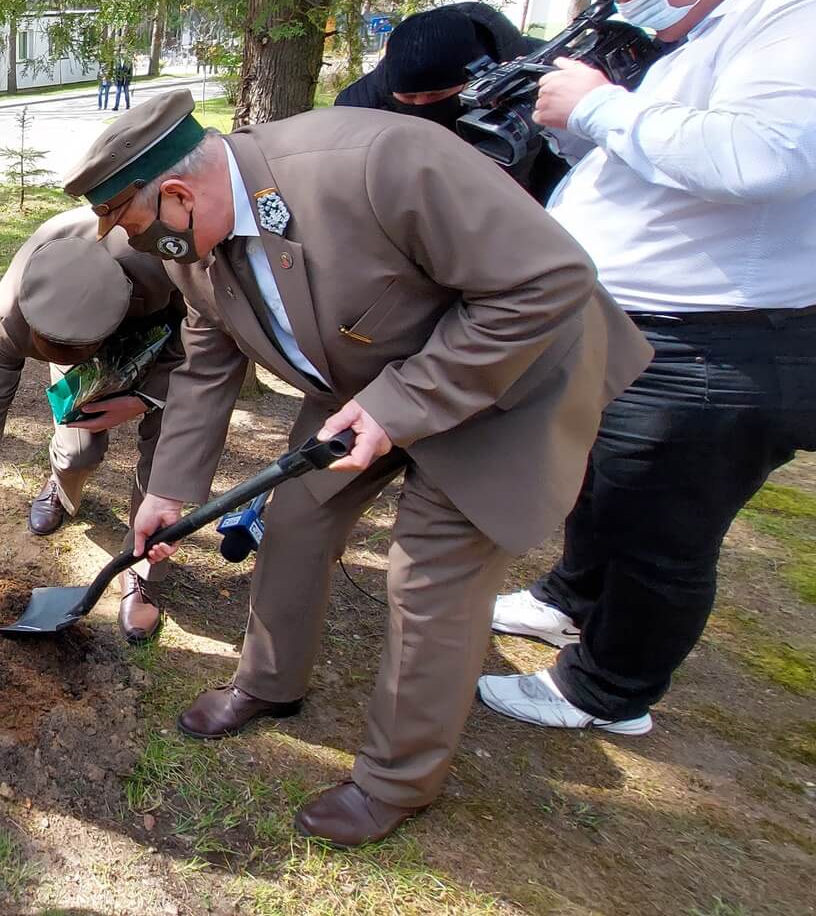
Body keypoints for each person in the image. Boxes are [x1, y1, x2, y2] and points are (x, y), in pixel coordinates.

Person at [73, 90, 648, 847]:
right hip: (367, 384)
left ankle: (395, 782)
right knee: (298, 516)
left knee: (428, 581)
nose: (156, 256)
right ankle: (269, 683)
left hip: (508, 383)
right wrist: (171, 488)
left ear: (178, 194)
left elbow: (547, 280)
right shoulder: (193, 246)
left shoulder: (379, 162)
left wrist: (401, 404)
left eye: (149, 237)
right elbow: (211, 357)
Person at [479, 0, 816, 737]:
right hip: (637, 318)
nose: (628, 5)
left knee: (661, 527)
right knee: (604, 481)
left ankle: (607, 692)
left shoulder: (800, 10)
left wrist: (599, 110)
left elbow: (765, 158)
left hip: (721, 340)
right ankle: (569, 598)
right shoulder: (721, 15)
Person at [0, 210, 185, 644]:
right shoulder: (11, 312)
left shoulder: (163, 262)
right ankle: (61, 485)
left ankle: (142, 571)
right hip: (80, 326)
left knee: (164, 457)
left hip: (163, 344)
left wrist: (142, 398)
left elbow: (201, 341)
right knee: (80, 451)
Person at [335, 2, 567, 204]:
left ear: (476, 81)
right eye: (408, 98)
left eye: (436, 95)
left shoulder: (549, 80)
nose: (421, 106)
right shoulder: (358, 107)